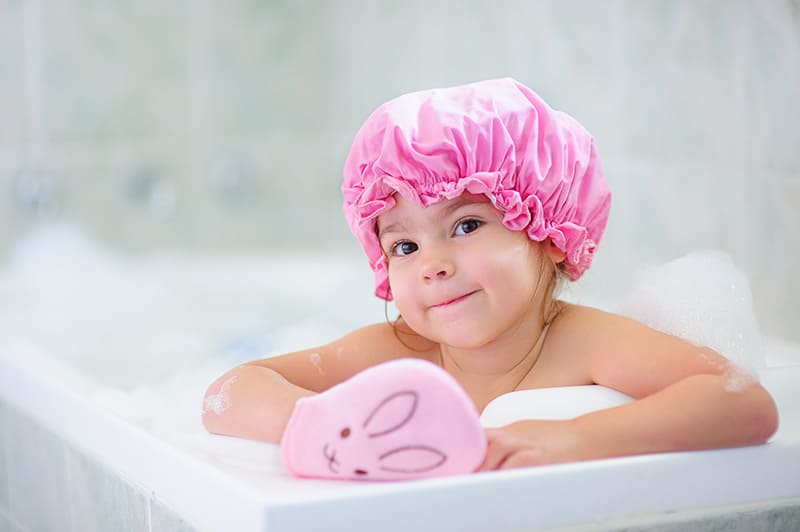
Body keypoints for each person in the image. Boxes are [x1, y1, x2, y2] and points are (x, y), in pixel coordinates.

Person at [201, 78, 778, 473]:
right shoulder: (402, 350)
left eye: (467, 225)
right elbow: (229, 392)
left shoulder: (581, 343)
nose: (433, 264)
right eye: (403, 244)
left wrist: (577, 439)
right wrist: (325, 428)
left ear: (549, 232)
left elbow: (744, 402)